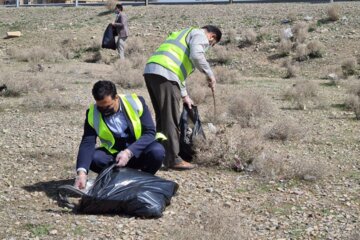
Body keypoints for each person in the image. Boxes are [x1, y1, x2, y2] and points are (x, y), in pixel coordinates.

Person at [143, 25, 222, 170]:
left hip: (153, 71)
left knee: (163, 117)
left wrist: (184, 95)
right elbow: (197, 55)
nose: (209, 46)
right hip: (166, 73)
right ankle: (173, 159)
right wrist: (210, 74)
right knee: (170, 118)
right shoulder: (200, 34)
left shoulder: (183, 34)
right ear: (212, 36)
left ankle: (159, 154)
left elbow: (178, 69)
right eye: (212, 44)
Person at [74, 80, 165, 190]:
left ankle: (144, 179)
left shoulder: (136, 103)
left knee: (157, 151)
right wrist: (82, 173)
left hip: (139, 152)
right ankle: (119, 178)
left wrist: (128, 152)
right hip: (115, 159)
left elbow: (150, 133)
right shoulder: (92, 113)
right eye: (100, 107)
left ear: (116, 98)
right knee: (94, 158)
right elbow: (87, 143)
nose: (104, 111)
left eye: (108, 106)